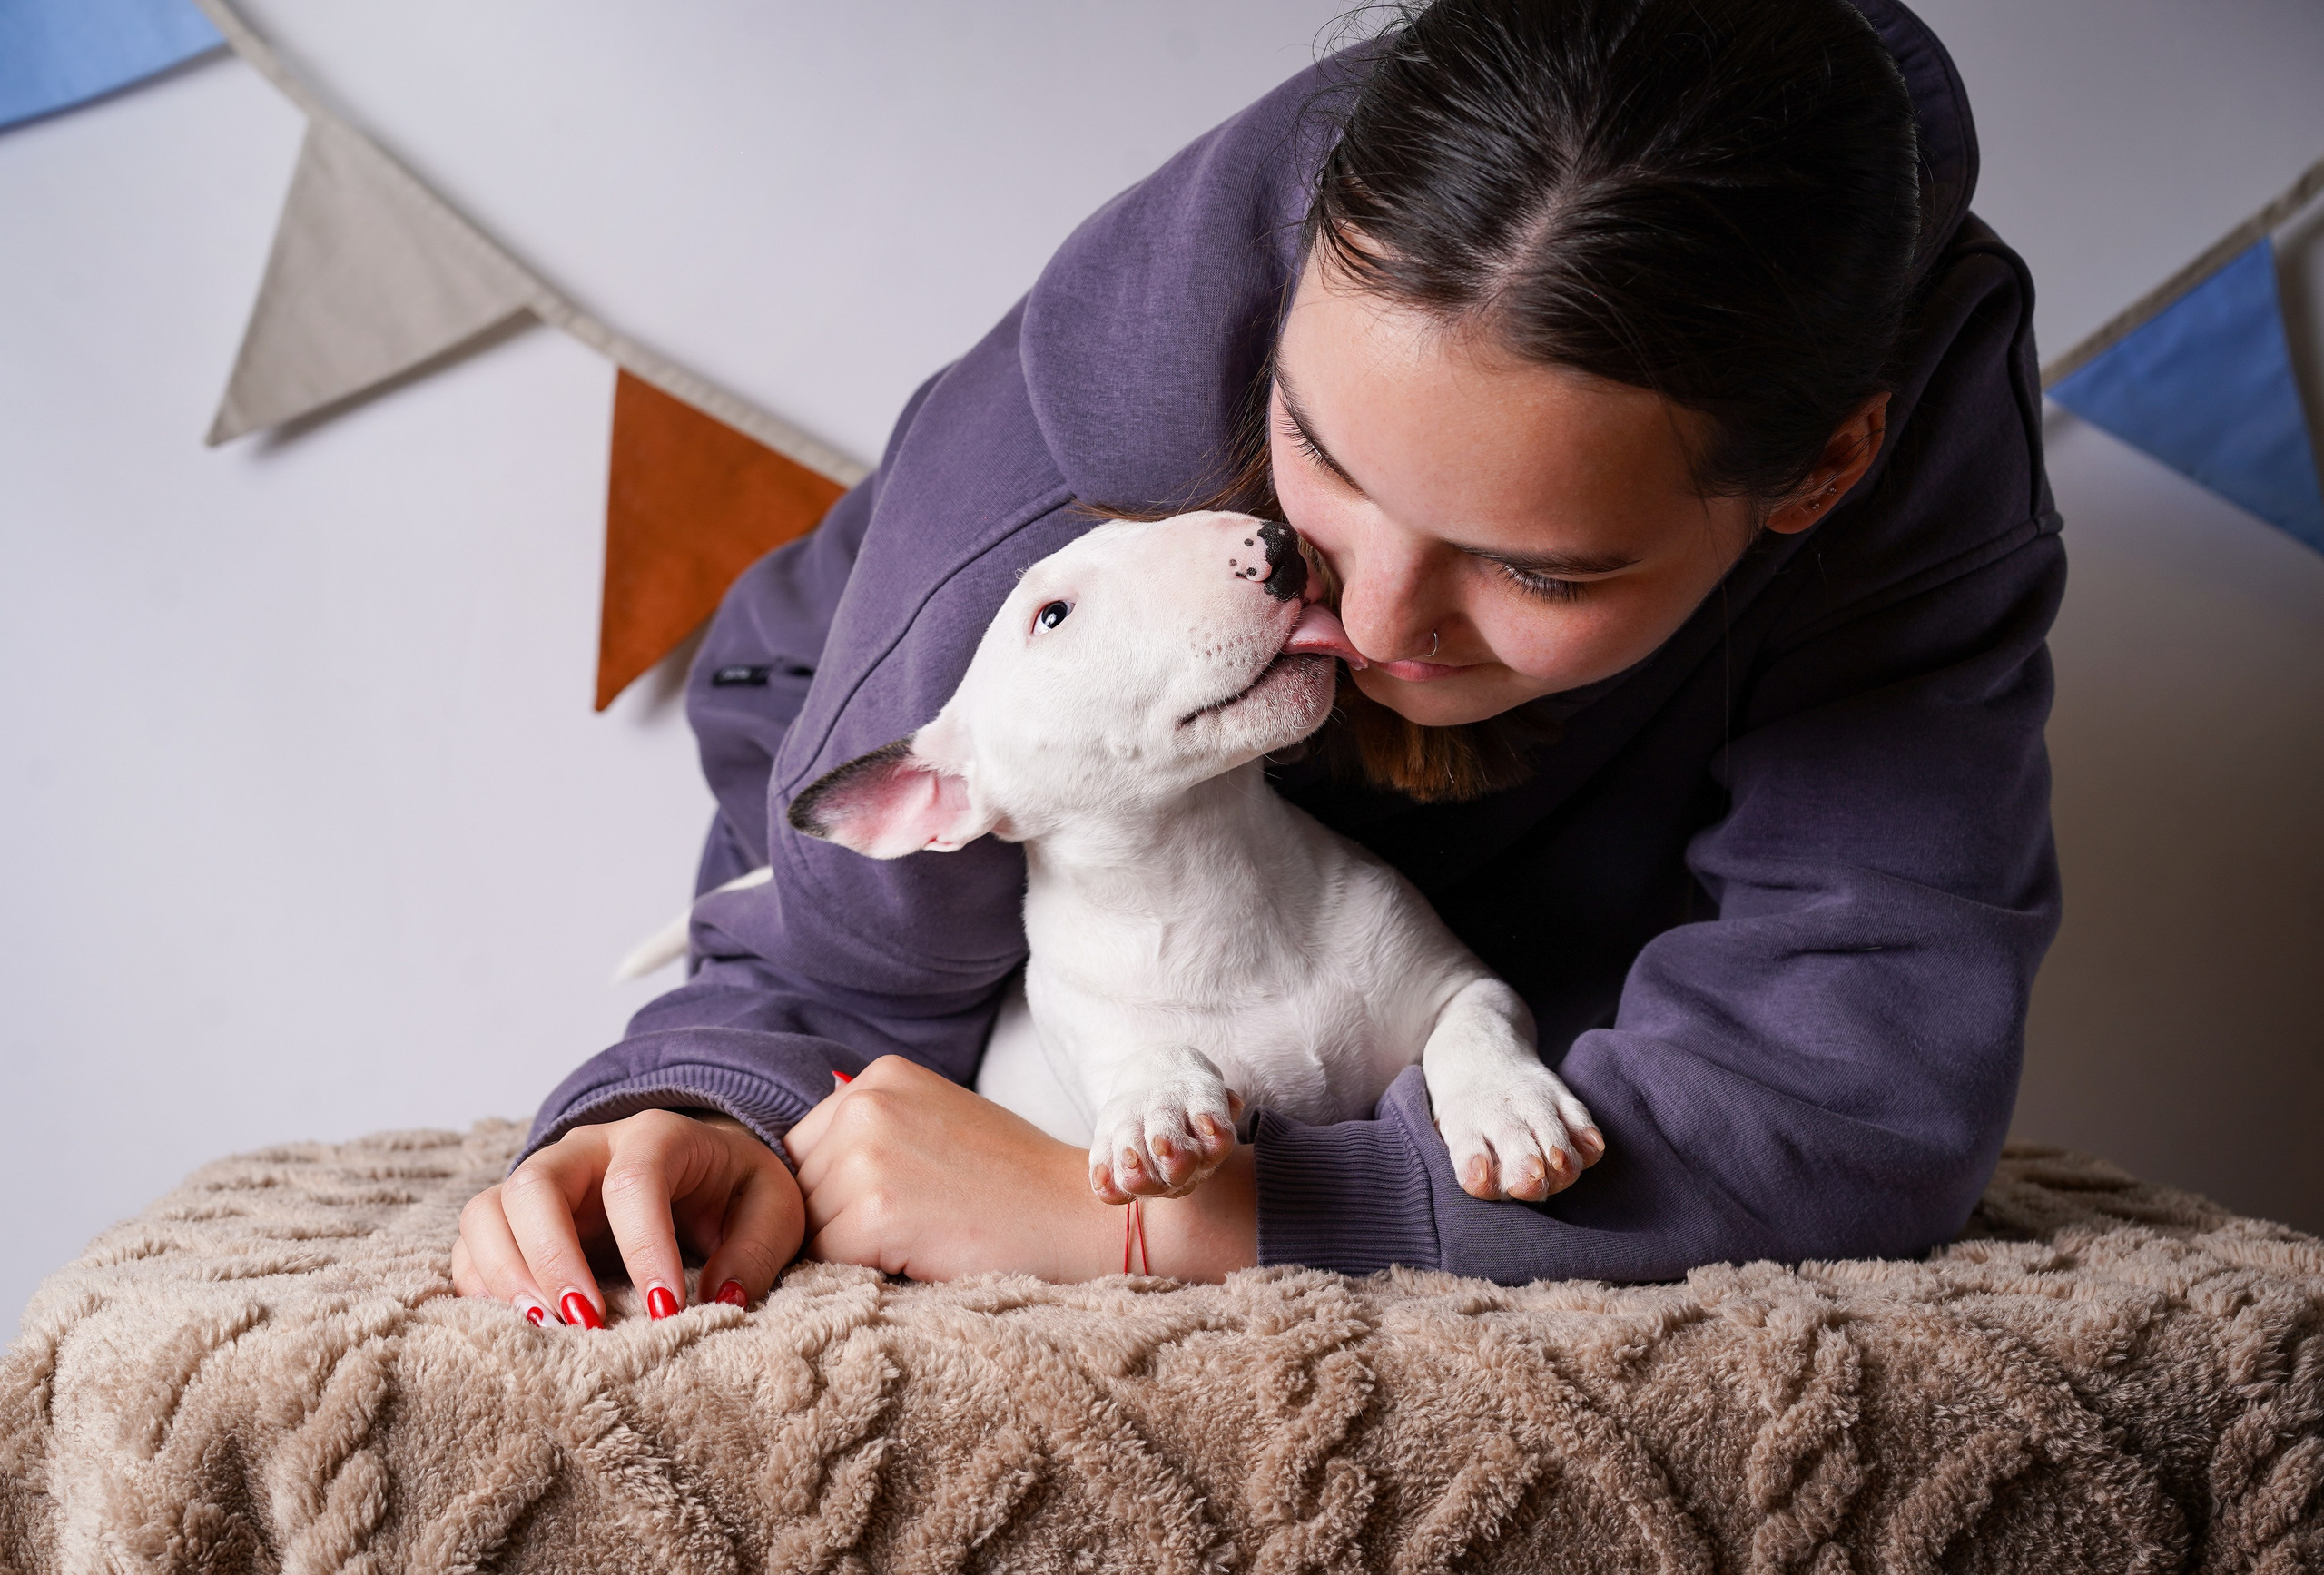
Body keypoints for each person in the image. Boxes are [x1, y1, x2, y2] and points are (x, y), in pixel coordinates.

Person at [454, 0, 2062, 1329]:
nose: (1363, 625)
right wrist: (679, 1108)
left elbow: (1858, 1096)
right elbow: (839, 974)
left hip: (1453, 1012)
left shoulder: (1904, 448)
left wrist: (1232, 1216)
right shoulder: (1035, 523)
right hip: (863, 779)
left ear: (1823, 471)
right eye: (1321, 453)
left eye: (1535, 567)